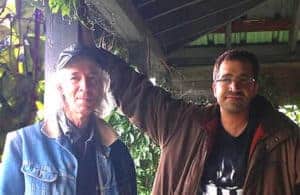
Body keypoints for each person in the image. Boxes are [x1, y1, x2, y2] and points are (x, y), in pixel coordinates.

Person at [96, 48, 300, 195]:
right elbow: (138, 93)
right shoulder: (182, 125)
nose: (234, 87)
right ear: (214, 88)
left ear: (255, 88)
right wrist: (96, 58)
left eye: (244, 79)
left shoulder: (285, 139)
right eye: (226, 79)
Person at [0, 44, 137, 195]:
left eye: (92, 78)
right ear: (60, 87)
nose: (85, 86)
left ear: (101, 87)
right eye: (74, 78)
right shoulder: (22, 144)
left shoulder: (119, 153)